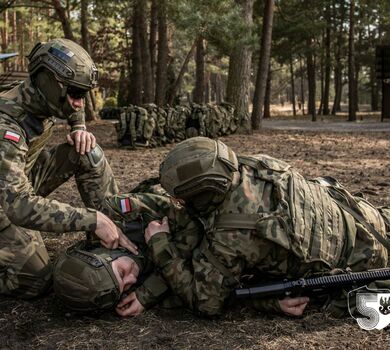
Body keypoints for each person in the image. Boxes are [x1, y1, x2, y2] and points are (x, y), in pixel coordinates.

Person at [136, 136, 390, 318]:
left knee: (365, 306)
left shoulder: (232, 233)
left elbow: (206, 302)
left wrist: (160, 245)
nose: (177, 204)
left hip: (364, 265)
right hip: (364, 216)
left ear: (203, 197)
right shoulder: (255, 165)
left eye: (181, 200)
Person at [0, 38, 136, 300]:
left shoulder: (41, 97)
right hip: (9, 201)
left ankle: (114, 240)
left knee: (86, 151)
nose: (79, 103)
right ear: (50, 83)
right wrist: (90, 219)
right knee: (36, 279)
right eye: (75, 94)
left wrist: (79, 128)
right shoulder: (6, 127)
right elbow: (17, 205)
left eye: (83, 94)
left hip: (18, 180)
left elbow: (75, 108)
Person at [53, 190, 202, 315]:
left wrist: (160, 243)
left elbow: (192, 224)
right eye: (124, 288)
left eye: (122, 273)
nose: (132, 280)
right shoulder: (111, 286)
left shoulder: (117, 213)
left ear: (107, 254)